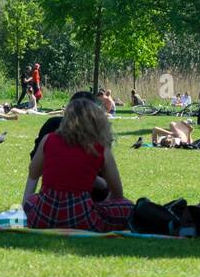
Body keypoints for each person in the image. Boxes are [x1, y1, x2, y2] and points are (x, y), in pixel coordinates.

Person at [23, 94, 133, 231]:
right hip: (82, 217)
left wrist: (27, 208)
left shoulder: (48, 139)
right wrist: (101, 209)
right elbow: (117, 193)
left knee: (31, 201)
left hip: (43, 216)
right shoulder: (100, 148)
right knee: (128, 205)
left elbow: (33, 174)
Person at [22, 91, 109, 203]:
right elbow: (112, 188)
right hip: (87, 205)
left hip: (52, 204)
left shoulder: (49, 137)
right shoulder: (99, 141)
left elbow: (33, 171)